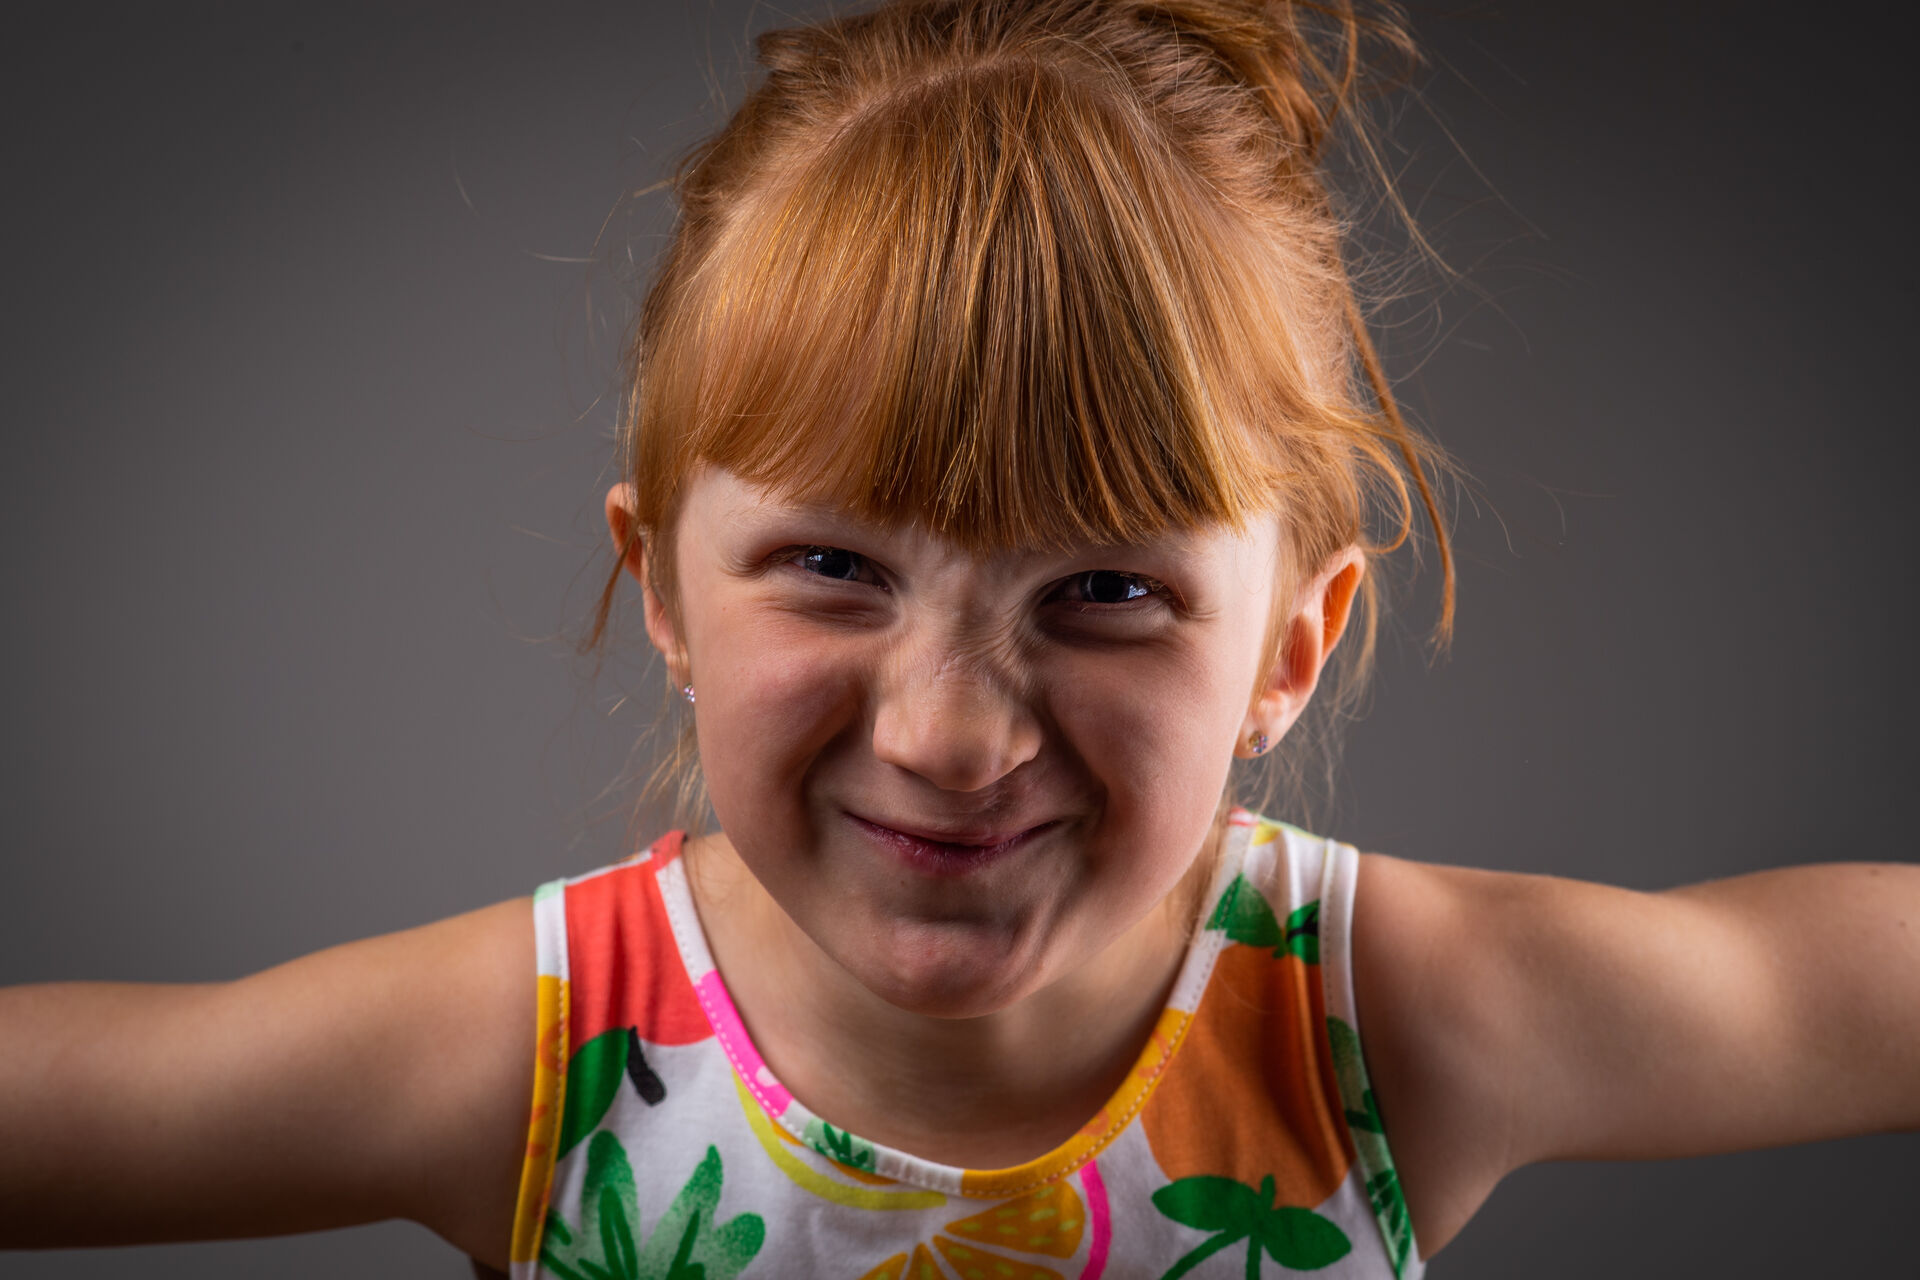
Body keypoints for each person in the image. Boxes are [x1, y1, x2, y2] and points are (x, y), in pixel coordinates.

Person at [3, 1, 1916, 1277]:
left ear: (1290, 648)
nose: (949, 734)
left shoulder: (1388, 1021)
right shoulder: (537, 1056)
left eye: (1107, 593)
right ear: (662, 588)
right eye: (833, 567)